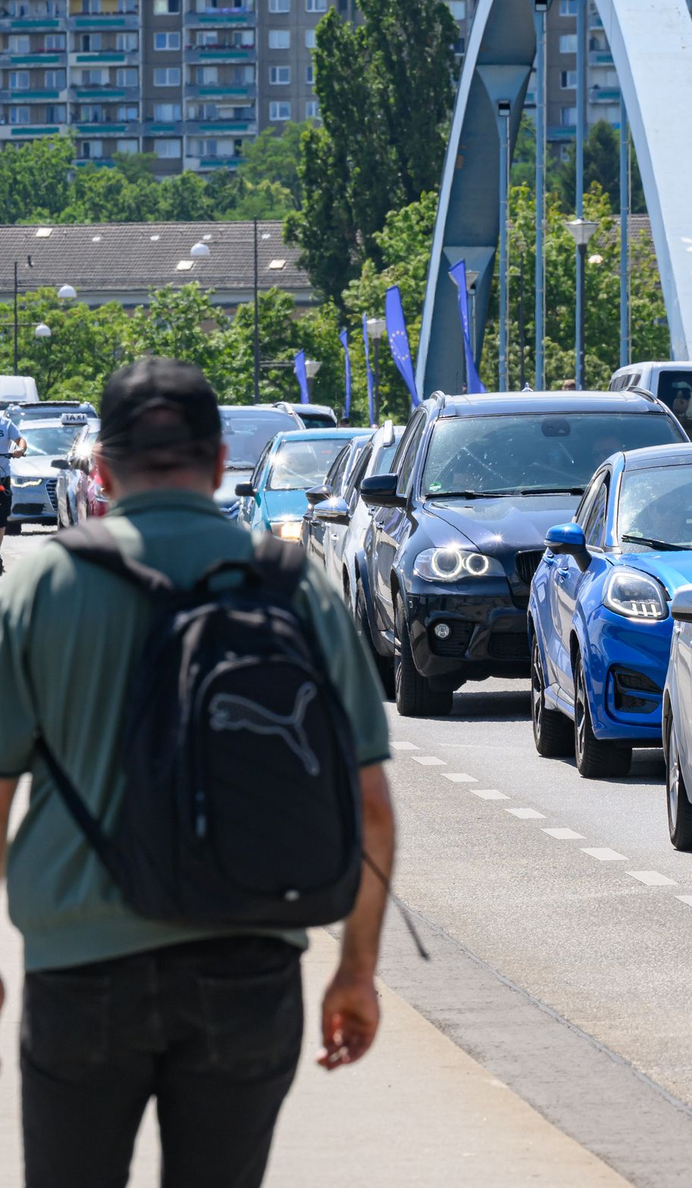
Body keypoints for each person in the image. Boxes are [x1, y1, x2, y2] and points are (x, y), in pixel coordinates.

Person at [0, 358, 395, 1188]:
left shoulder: (40, 583)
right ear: (220, 464)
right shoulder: (295, 586)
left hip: (81, 967)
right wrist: (355, 970)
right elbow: (371, 807)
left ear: (100, 470)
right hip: (247, 964)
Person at [0, 407, 28, 572]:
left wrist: (20, 450)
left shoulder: (5, 423)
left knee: (2, 515)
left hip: (2, 476)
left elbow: (20, 440)